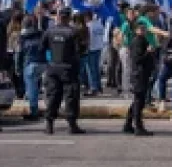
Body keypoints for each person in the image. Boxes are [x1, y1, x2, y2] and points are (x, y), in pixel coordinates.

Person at [40, 7, 86, 135]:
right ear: (69, 17)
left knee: (54, 96)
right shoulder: (73, 32)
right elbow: (80, 50)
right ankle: (72, 125)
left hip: (53, 67)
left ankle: (49, 124)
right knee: (70, 97)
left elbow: (42, 47)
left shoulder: (50, 31)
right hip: (68, 68)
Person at [123, 21, 154, 136]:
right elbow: (138, 59)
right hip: (139, 75)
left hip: (142, 74)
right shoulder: (137, 41)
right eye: (140, 29)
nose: (143, 30)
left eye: (144, 28)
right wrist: (148, 52)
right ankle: (138, 127)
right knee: (138, 102)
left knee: (138, 101)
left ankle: (128, 124)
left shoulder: (142, 40)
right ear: (136, 30)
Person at [16, 15, 46, 121]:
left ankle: (34, 111)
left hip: (30, 64)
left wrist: (17, 68)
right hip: (43, 63)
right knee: (41, 87)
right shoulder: (41, 34)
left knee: (32, 89)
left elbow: (19, 54)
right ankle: (47, 108)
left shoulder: (22, 37)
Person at [85, 11, 105, 96]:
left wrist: (86, 48)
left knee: (91, 70)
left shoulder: (89, 25)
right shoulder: (99, 24)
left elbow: (89, 38)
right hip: (99, 47)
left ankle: (94, 88)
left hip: (91, 49)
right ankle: (99, 86)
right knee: (96, 69)